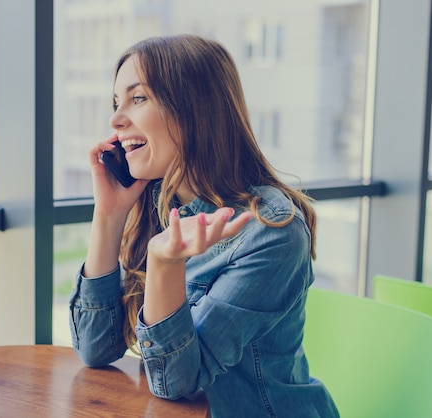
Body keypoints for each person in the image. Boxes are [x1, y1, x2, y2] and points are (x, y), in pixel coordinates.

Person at [69, 34, 339, 417]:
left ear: (194, 110)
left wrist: (165, 263)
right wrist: (109, 216)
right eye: (116, 103)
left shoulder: (272, 230)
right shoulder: (158, 203)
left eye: (138, 98)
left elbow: (174, 382)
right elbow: (94, 348)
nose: (115, 119)